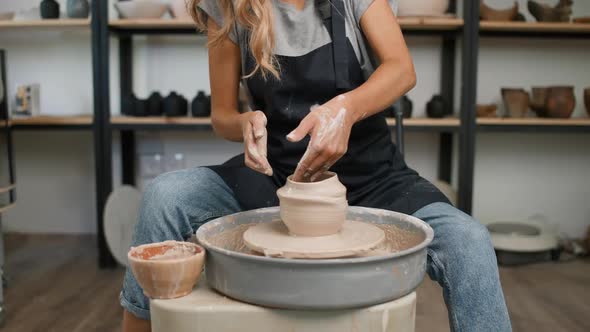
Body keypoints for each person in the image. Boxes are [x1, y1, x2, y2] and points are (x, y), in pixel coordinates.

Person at [120, 1, 512, 331]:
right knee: (165, 195)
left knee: (469, 240)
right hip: (274, 176)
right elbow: (221, 113)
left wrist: (345, 109)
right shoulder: (231, 5)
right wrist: (244, 123)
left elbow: (401, 70)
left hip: (373, 177)